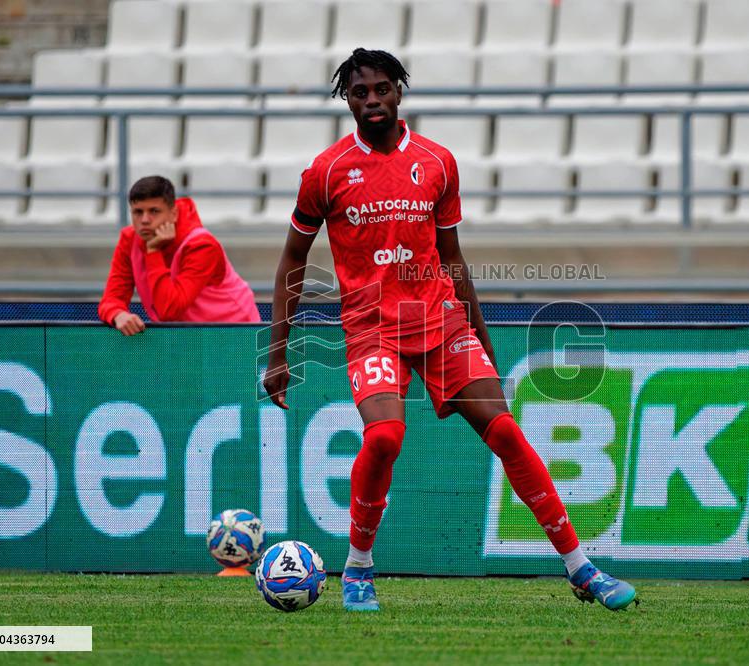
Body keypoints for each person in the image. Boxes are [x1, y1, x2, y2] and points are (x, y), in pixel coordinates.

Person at [262, 49, 636, 612]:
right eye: (360, 92)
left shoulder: (437, 162)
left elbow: (453, 258)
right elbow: (293, 259)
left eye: (382, 89)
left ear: (399, 93)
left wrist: (482, 339)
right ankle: (358, 567)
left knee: (506, 432)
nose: (372, 101)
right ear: (348, 99)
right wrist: (278, 354)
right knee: (385, 437)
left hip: (440, 322)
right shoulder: (327, 172)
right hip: (372, 329)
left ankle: (582, 570)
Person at [98, 176, 261, 333]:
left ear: (173, 213)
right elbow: (111, 298)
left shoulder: (202, 245)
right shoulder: (129, 239)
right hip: (188, 338)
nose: (145, 220)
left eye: (154, 211)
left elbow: (169, 310)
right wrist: (118, 314)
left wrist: (153, 252)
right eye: (138, 212)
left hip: (237, 335)